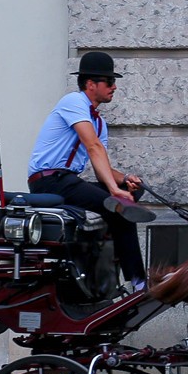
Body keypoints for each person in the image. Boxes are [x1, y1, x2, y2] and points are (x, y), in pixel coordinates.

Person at [26, 50, 155, 289]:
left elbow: (101, 165)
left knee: (130, 194)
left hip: (68, 181)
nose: (114, 87)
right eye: (109, 81)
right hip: (49, 181)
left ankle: (110, 269)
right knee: (119, 205)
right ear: (90, 84)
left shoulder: (99, 122)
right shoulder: (73, 102)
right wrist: (114, 192)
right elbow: (92, 146)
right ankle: (137, 281)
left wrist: (124, 180)